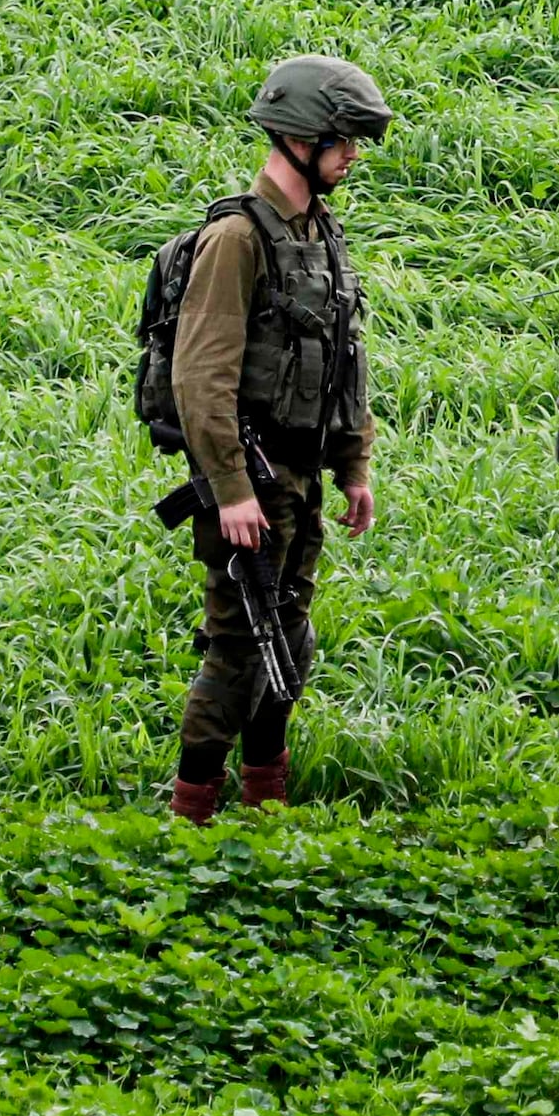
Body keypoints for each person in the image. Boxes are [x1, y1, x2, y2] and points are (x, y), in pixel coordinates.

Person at [164, 54, 391, 821]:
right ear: (300, 138)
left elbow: (345, 359)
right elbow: (201, 376)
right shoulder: (237, 237)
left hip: (302, 478)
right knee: (238, 647)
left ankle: (267, 798)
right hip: (251, 480)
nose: (351, 156)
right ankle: (190, 812)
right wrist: (230, 488)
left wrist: (354, 464)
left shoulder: (321, 231)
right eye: (343, 140)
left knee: (288, 640)